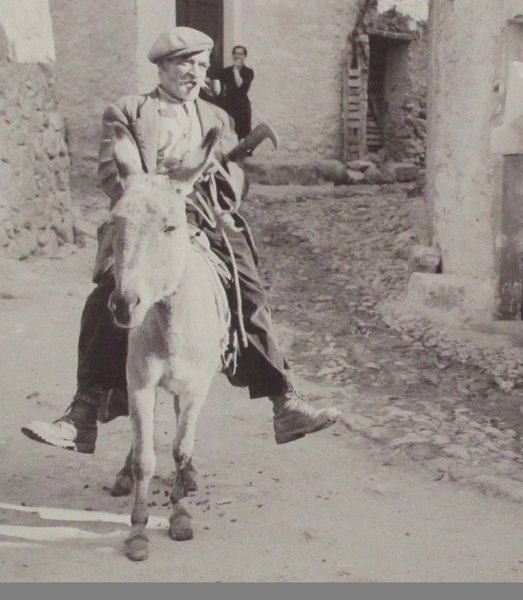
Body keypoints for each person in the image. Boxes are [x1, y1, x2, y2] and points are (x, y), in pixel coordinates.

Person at [21, 27, 341, 455]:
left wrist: (221, 184)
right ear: (163, 67)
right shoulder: (129, 111)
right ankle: (82, 413)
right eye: (186, 63)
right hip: (145, 216)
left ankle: (284, 401)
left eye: (202, 65)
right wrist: (156, 190)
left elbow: (235, 179)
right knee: (109, 297)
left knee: (248, 289)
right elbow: (110, 174)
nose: (195, 73)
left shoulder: (217, 118)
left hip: (203, 216)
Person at [219, 45, 254, 141]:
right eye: (235, 53)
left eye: (240, 54)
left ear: (244, 56)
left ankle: (243, 155)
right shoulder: (226, 71)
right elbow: (216, 81)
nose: (237, 56)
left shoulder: (248, 72)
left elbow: (240, 85)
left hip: (242, 106)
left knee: (243, 133)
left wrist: (236, 70)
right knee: (228, 131)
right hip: (229, 104)